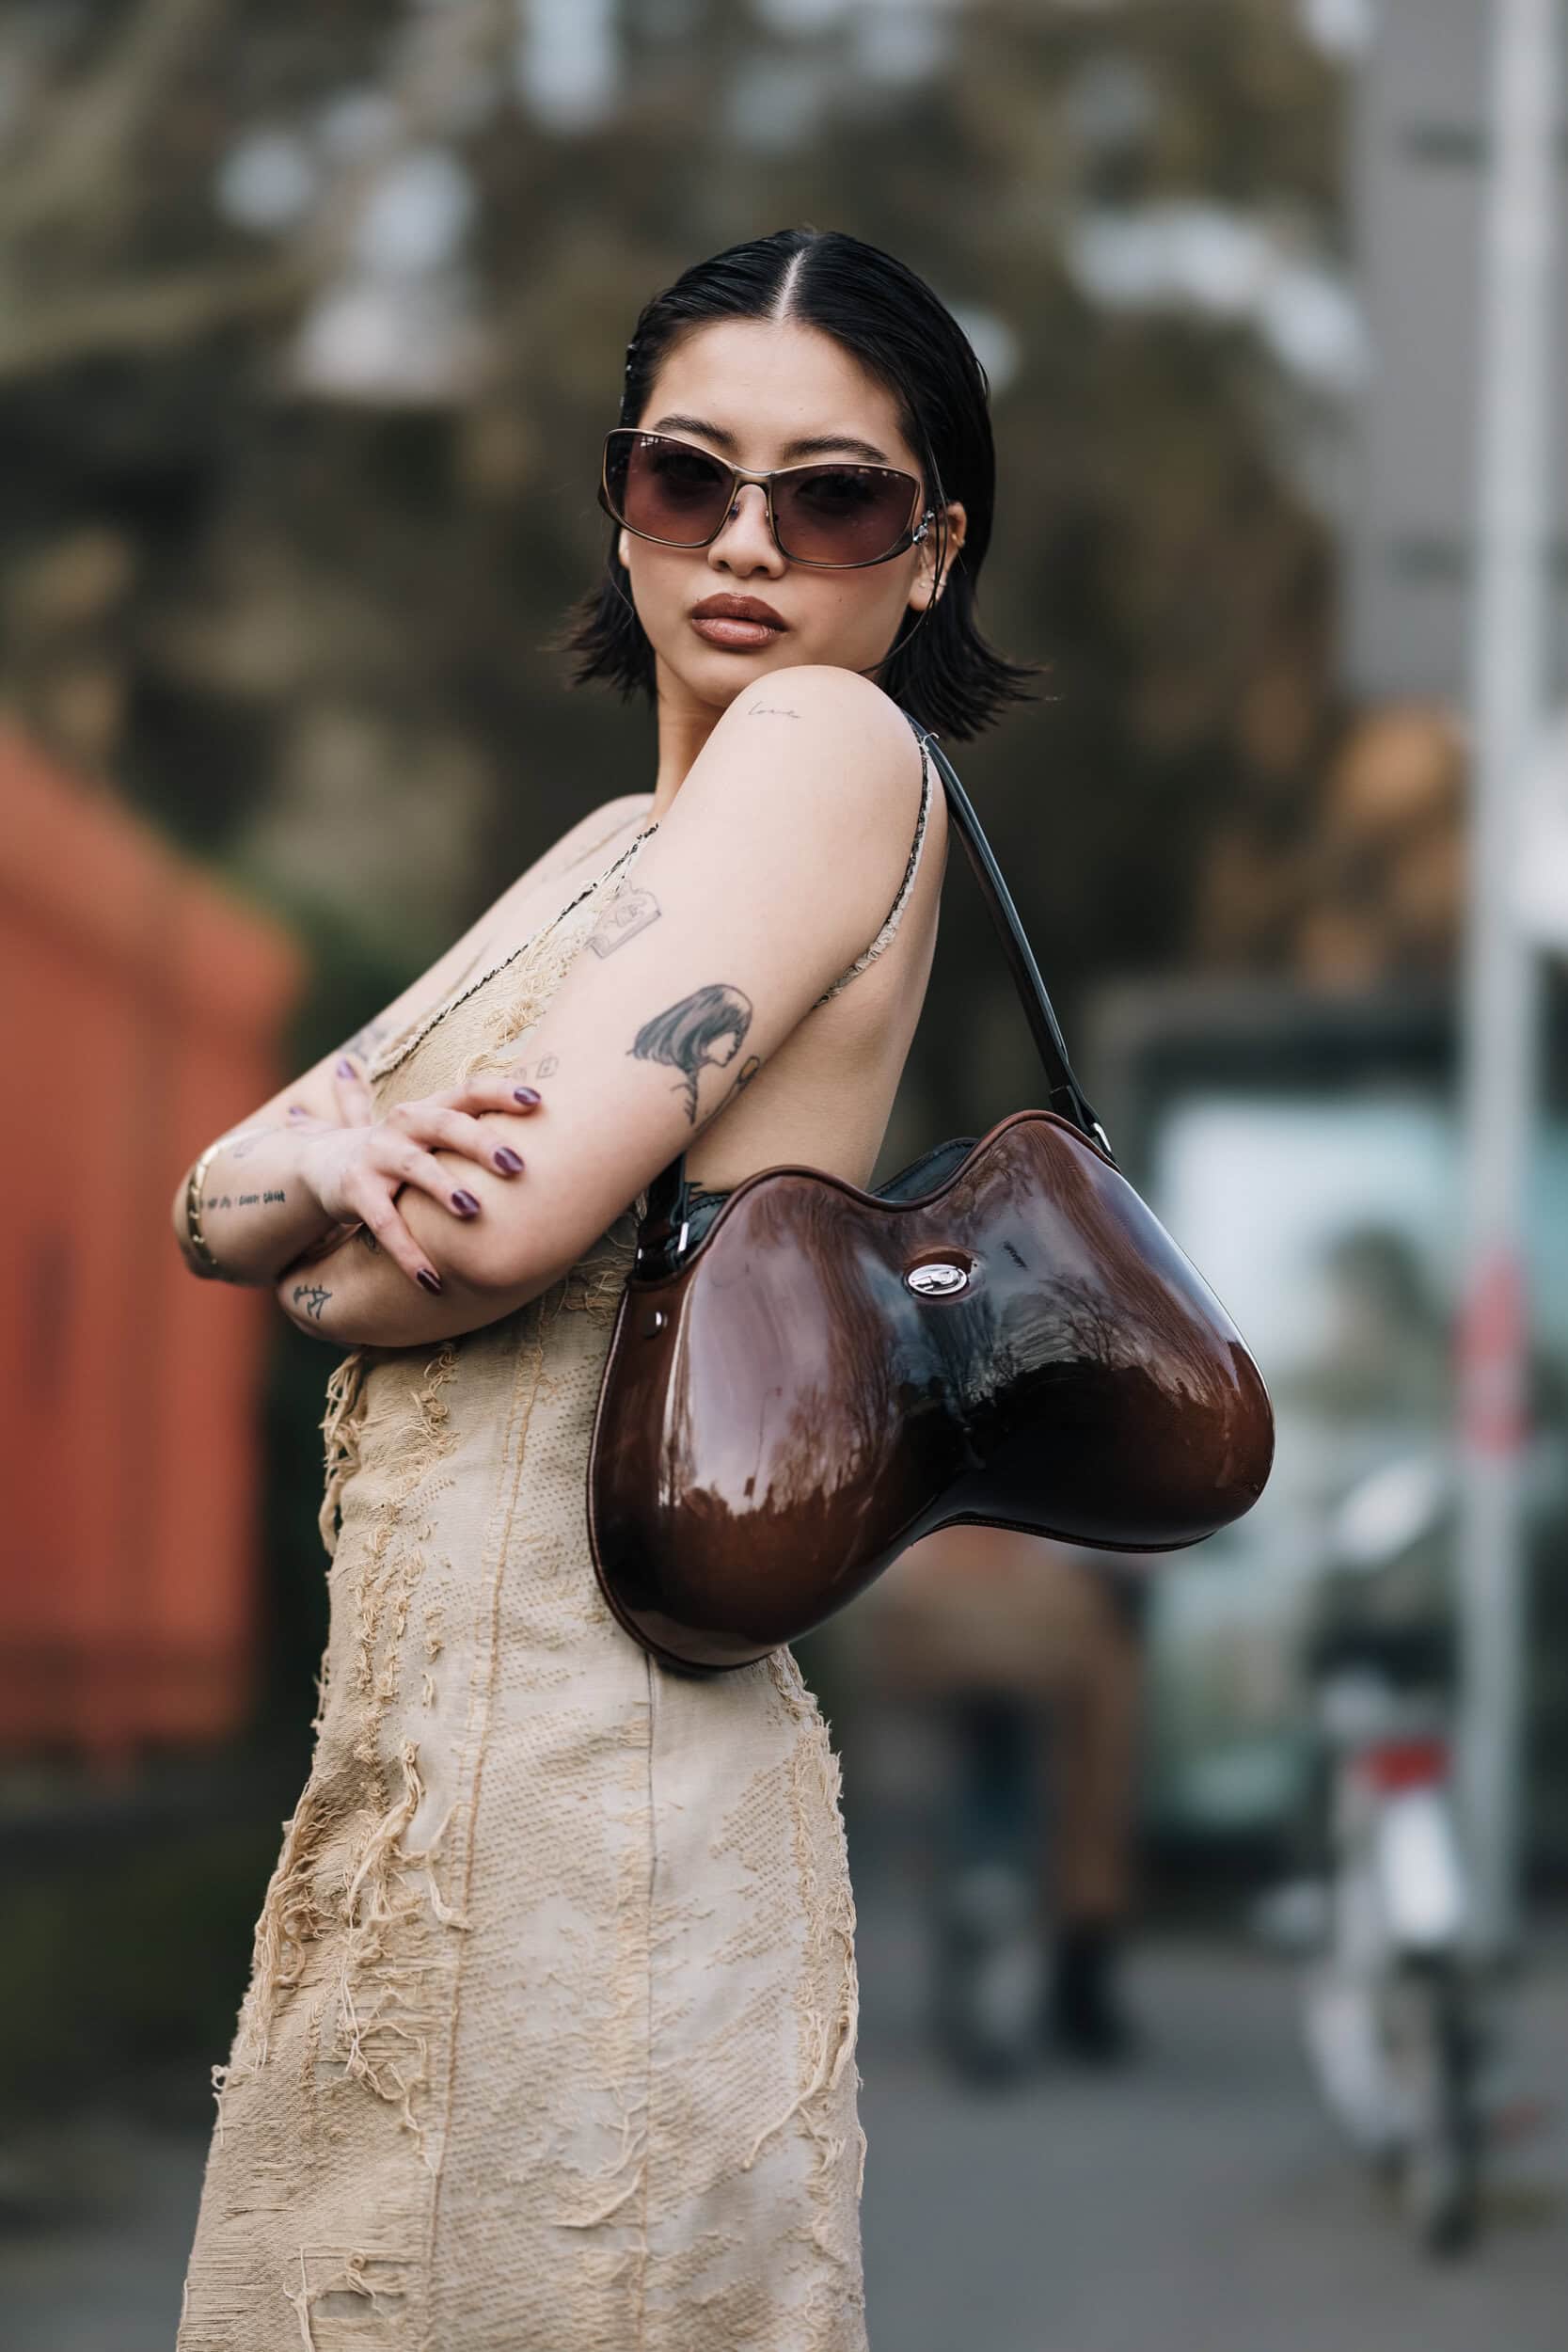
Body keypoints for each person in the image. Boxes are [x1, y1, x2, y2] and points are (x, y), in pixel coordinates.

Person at [170, 226, 1036, 2350]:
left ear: (930, 550)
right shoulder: (602, 850)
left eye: (832, 497)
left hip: (594, 1791)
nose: (745, 541)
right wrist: (321, 1189)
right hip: (432, 1799)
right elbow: (211, 1191)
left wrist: (329, 1225)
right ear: (619, 497)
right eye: (687, 474)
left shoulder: (828, 743)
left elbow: (466, 1237)